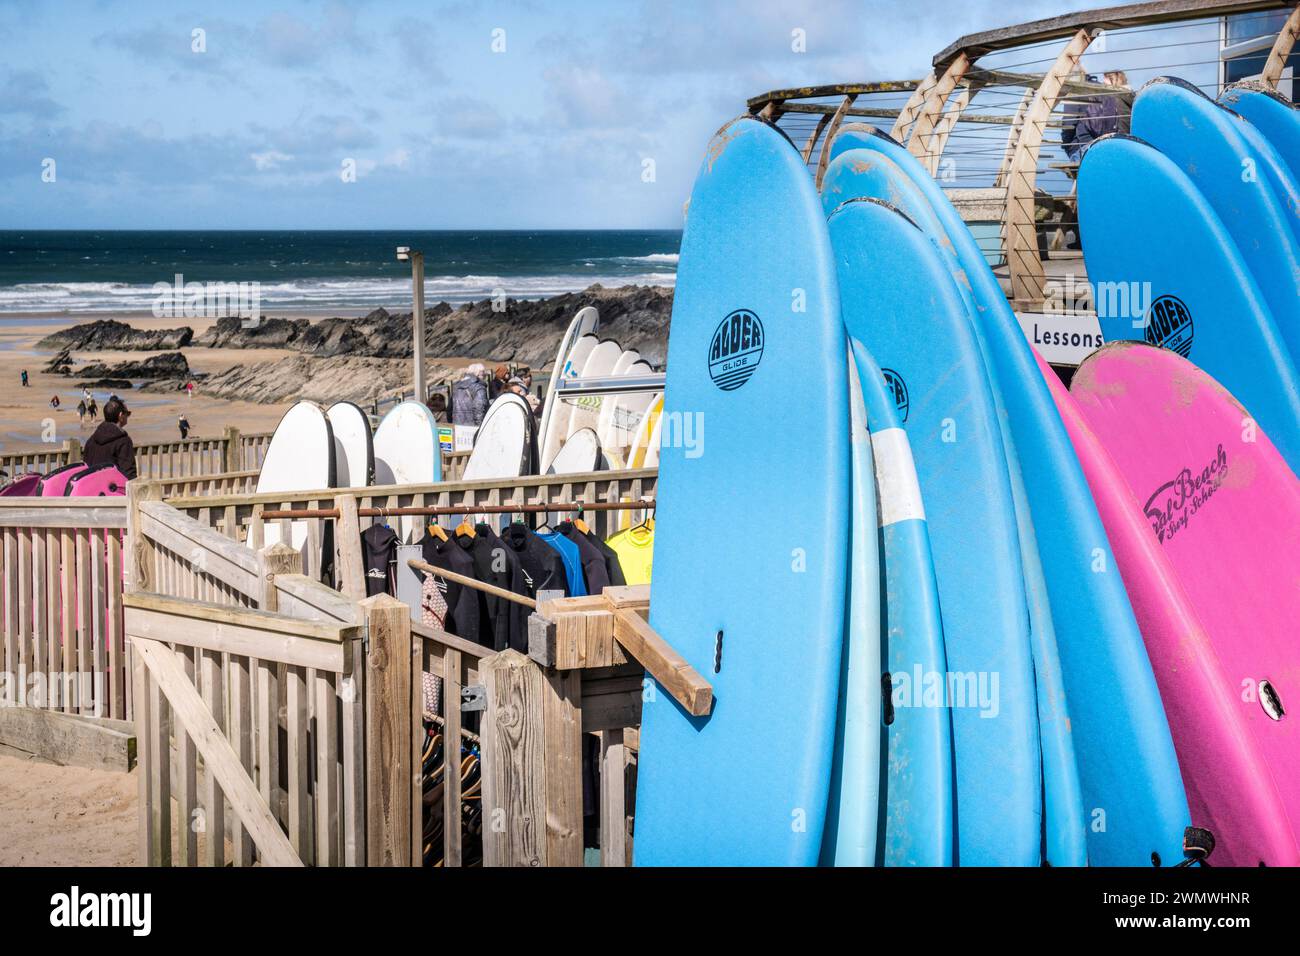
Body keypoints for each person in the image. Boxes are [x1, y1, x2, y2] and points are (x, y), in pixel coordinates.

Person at [83, 396, 138, 479]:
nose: (128, 416)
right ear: (120, 415)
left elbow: (85, 467)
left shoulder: (91, 440)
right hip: (112, 489)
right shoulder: (123, 441)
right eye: (127, 413)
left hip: (91, 488)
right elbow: (129, 474)